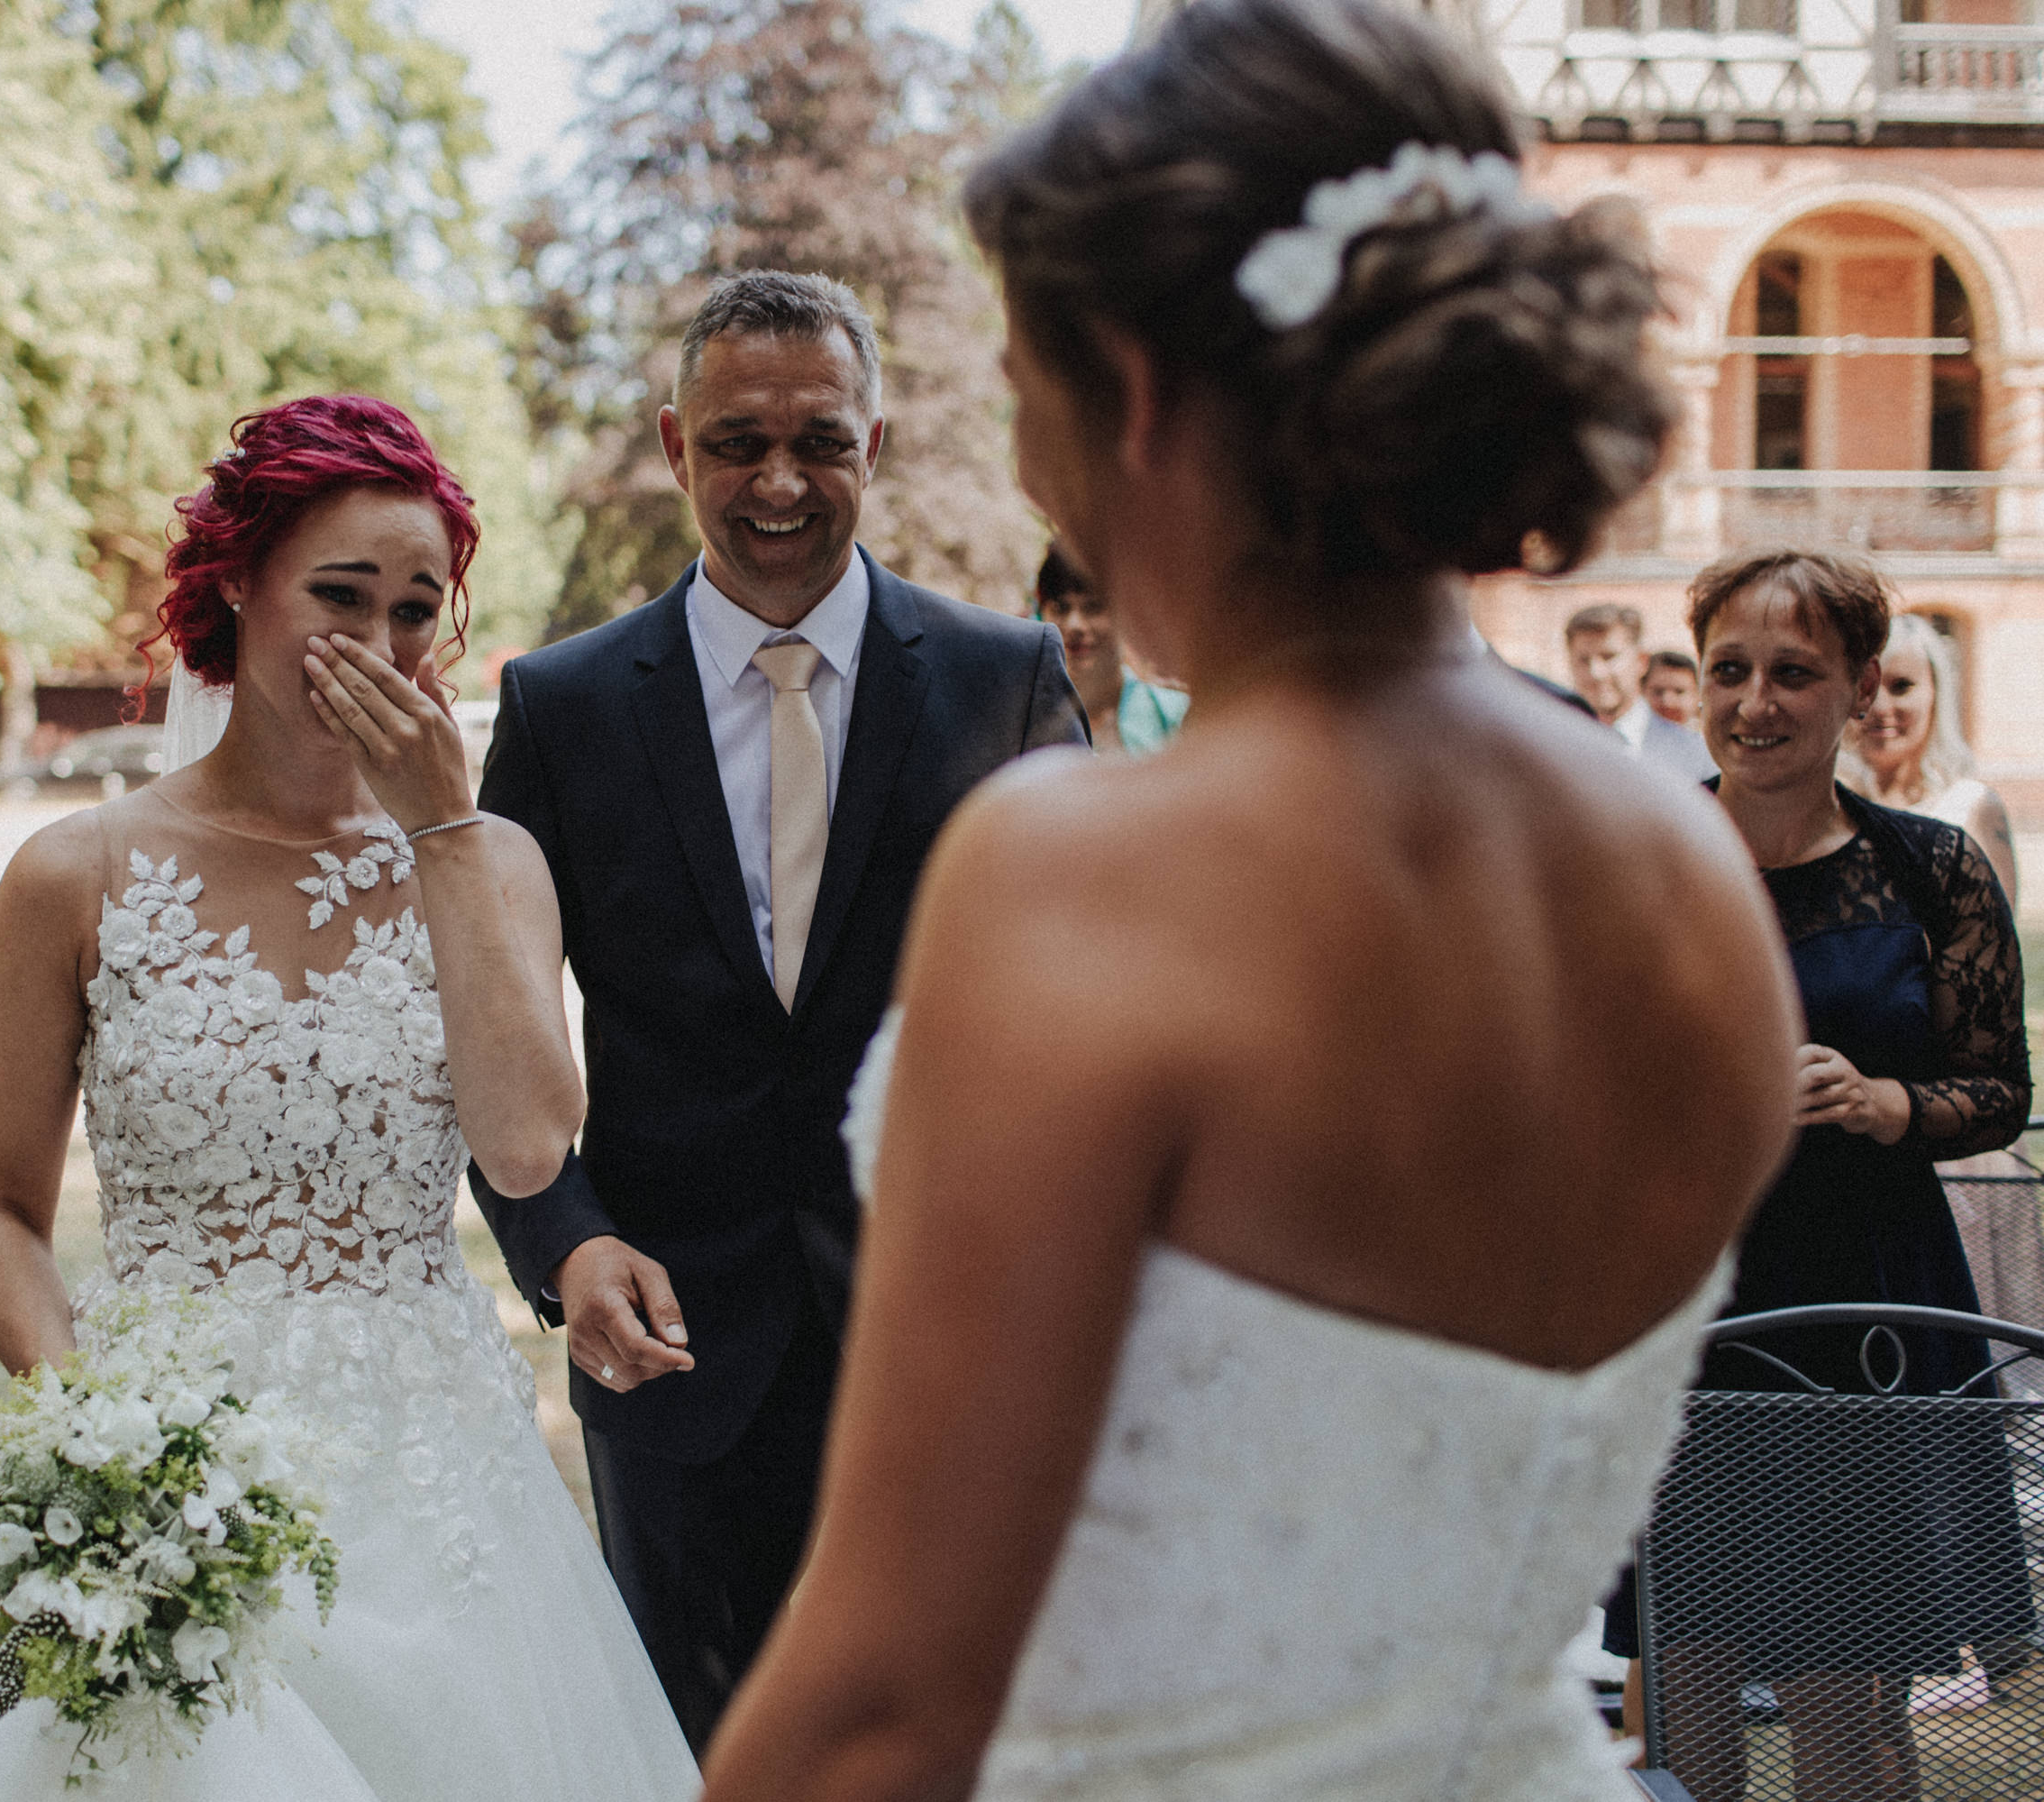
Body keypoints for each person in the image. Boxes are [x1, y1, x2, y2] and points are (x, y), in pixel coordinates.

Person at [698, 3, 1802, 1797]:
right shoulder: (1688, 885)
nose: (1029, 453)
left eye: (1021, 383)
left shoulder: (1086, 871)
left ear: (1127, 387)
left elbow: (883, 1711)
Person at [0, 397, 696, 1800]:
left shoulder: (491, 861)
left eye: (417, 609)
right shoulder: (74, 873)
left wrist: (441, 830)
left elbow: (528, 1148)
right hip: (167, 1457)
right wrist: (101, 1444)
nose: (381, 643)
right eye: (337, 594)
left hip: (434, 1478)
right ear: (237, 583)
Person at [468, 270, 1086, 1752]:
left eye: (818, 438)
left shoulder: (1004, 681)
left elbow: (1090, 1007)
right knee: (696, 1755)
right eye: (737, 441)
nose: (779, 479)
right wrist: (560, 1245)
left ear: (871, 445)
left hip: (947, 1348)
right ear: (674, 448)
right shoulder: (560, 708)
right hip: (671, 1355)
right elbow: (486, 1020)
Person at [1599, 549, 2035, 1802]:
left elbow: (1994, 1085)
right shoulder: (1635, 854)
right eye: (1727, 669)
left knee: (1849, 1709)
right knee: (1681, 1696)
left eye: (1792, 672)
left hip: (1862, 1309)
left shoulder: (1926, 869)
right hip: (1686, 1300)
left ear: (1855, 687)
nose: (1752, 701)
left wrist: (1885, 1099)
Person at [1845, 610, 2019, 909]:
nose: (1881, 706)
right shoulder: (1831, 806)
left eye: (1901, 686)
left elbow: (1998, 942)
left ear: (1937, 693)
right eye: (1867, 688)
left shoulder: (1972, 807)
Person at [1033, 544, 1189, 754]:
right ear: (1041, 613)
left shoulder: (1176, 716)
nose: (1075, 625)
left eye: (1093, 607)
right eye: (1061, 608)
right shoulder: (1023, 718)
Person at [1566, 600, 1718, 782]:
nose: (1596, 673)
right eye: (1583, 660)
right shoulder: (1549, 747)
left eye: (1609, 657)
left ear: (1641, 661)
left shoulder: (1695, 754)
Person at [1643, 646, 1700, 727]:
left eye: (1679, 692)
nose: (1668, 702)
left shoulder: (1704, 738)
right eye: (1658, 692)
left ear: (1697, 696)